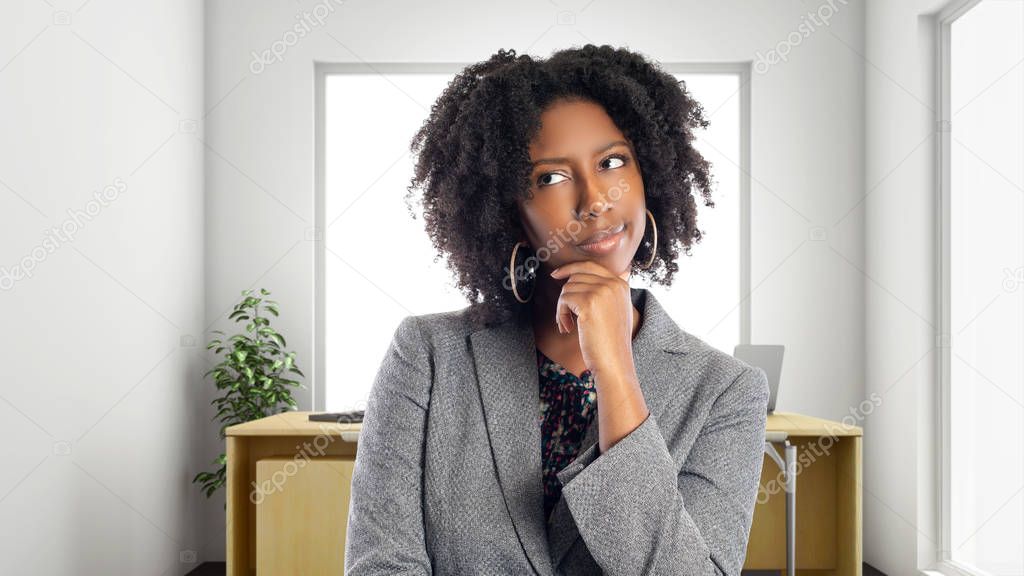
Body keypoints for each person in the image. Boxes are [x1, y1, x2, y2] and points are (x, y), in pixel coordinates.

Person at [344, 44, 770, 576]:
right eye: (550, 177)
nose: (594, 199)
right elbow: (382, 563)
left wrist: (614, 367)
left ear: (649, 179)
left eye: (613, 162)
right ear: (509, 212)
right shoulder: (427, 356)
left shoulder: (725, 392)